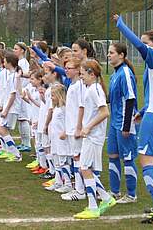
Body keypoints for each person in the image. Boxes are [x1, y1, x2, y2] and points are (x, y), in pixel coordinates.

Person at [114, 14, 153, 223]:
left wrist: (121, 24)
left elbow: (138, 45)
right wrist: (143, 110)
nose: (144, 46)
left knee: (145, 160)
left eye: (147, 41)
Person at [74, 60, 116, 220]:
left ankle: (94, 206)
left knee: (84, 168)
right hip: (91, 135)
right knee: (84, 168)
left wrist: (88, 127)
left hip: (94, 136)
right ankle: (106, 198)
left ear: (91, 74)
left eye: (83, 74)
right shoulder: (92, 88)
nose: (81, 77)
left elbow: (105, 112)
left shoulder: (94, 89)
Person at [107, 43, 139, 204]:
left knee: (127, 158)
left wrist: (127, 126)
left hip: (125, 122)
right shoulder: (115, 74)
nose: (109, 55)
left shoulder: (125, 73)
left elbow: (130, 99)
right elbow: (110, 98)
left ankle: (131, 194)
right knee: (112, 155)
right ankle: (115, 191)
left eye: (112, 52)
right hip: (114, 122)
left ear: (121, 55)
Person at [61, 58, 87, 201]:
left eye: (70, 68)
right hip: (70, 127)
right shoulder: (72, 85)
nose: (67, 70)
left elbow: (82, 107)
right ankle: (78, 188)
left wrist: (78, 127)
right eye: (66, 68)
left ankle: (80, 190)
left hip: (76, 128)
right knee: (75, 157)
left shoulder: (80, 86)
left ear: (77, 70)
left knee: (78, 158)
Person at [45, 84, 72, 194]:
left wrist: (65, 133)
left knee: (63, 161)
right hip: (55, 139)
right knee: (56, 160)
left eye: (53, 95)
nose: (51, 97)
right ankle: (58, 181)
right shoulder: (56, 108)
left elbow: (69, 122)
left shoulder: (64, 108)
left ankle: (68, 183)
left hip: (62, 140)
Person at [0, 52, 22, 162]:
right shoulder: (12, 75)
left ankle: (16, 154)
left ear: (9, 63)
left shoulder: (14, 76)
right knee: (3, 129)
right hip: (10, 107)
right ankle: (11, 152)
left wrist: (6, 109)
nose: (3, 63)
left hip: (12, 108)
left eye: (5, 61)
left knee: (2, 129)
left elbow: (13, 95)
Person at [14, 42, 32, 152]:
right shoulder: (19, 62)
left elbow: (26, 76)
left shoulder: (23, 62)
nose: (14, 50)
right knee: (20, 119)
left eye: (16, 49)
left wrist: (21, 90)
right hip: (19, 92)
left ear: (22, 51)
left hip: (23, 92)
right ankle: (23, 142)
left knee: (24, 118)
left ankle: (27, 143)